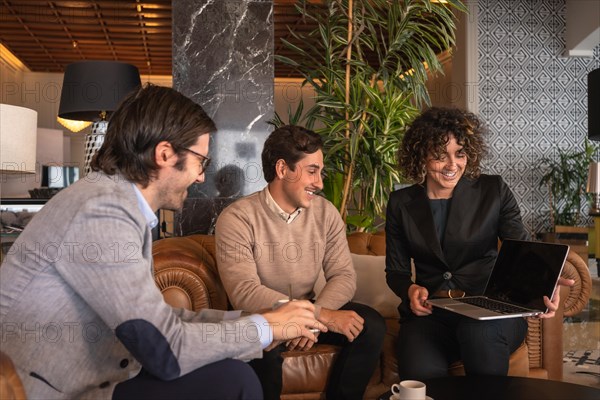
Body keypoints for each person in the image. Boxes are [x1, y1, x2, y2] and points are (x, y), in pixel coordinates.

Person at [0, 85, 326, 400]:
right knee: (232, 381)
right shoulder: (102, 211)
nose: (201, 177)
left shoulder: (112, 202)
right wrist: (265, 327)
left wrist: (262, 321)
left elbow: (159, 323)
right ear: (165, 154)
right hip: (59, 390)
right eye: (202, 162)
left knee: (235, 371)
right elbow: (163, 348)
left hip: (99, 372)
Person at [385, 106, 574, 380]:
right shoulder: (401, 203)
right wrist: (410, 289)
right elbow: (396, 271)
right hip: (431, 316)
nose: (452, 165)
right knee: (420, 376)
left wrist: (545, 281)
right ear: (421, 157)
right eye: (440, 156)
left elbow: (522, 251)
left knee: (478, 334)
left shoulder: (493, 190)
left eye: (459, 153)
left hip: (490, 311)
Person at [215, 125, 386, 400]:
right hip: (263, 317)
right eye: (312, 171)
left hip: (313, 310)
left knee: (370, 324)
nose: (319, 182)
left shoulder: (325, 212)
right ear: (283, 169)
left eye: (319, 172)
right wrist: (317, 317)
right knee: (263, 352)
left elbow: (343, 275)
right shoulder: (236, 218)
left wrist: (313, 318)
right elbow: (244, 291)